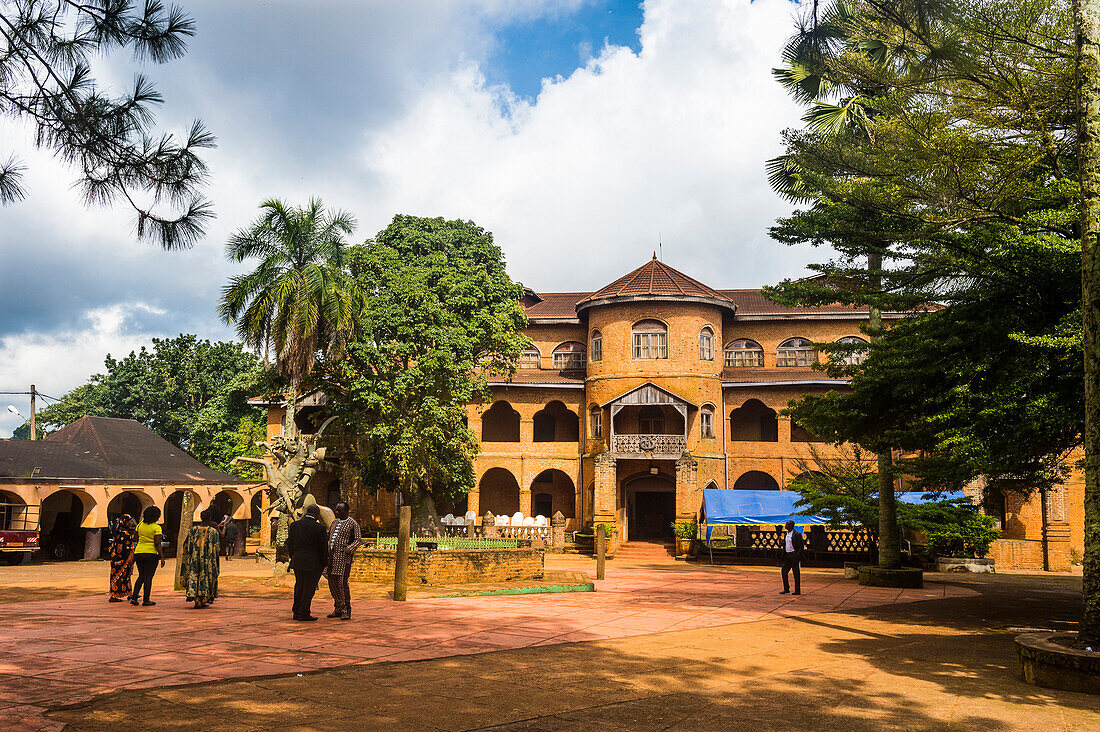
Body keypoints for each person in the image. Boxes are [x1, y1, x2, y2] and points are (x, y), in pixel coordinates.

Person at [286, 504, 328, 621]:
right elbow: (323, 548)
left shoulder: (295, 525)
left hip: (298, 560)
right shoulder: (319, 528)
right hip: (313, 563)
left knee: (299, 586)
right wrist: (324, 563)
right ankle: (303, 612)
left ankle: (296, 611)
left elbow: (290, 544)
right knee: (308, 588)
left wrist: (293, 557)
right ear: (316, 514)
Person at [324, 502, 362, 620]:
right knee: (332, 582)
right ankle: (338, 607)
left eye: (339, 510)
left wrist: (348, 549)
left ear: (346, 511)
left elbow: (358, 540)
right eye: (336, 510)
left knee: (342, 584)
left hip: (343, 559)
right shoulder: (334, 522)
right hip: (331, 558)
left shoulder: (353, 524)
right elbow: (328, 536)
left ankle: (346, 609)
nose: (337, 512)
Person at [179, 508, 221, 608]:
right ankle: (204, 599)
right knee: (206, 576)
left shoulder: (193, 530)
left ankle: (196, 600)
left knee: (194, 577)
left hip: (194, 559)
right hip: (208, 561)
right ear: (210, 518)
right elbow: (217, 547)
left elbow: (186, 545)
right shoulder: (213, 531)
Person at [130, 506, 165, 606]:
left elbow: (135, 538)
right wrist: (162, 557)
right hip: (151, 554)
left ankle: (134, 597)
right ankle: (146, 600)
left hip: (139, 552)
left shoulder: (140, 525)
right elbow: (157, 543)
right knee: (148, 577)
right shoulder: (156, 528)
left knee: (141, 576)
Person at [106, 513, 137, 603]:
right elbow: (123, 548)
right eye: (130, 521)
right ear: (125, 523)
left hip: (119, 559)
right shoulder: (124, 535)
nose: (131, 523)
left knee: (126, 577)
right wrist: (130, 554)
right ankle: (114, 596)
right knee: (119, 577)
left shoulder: (121, 534)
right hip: (121, 560)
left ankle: (129, 593)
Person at [780, 519, 803, 596]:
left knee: (796, 573)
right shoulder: (786, 534)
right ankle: (786, 588)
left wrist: (797, 555)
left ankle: (797, 590)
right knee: (784, 571)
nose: (785, 526)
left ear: (791, 526)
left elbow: (801, 547)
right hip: (787, 555)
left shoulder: (797, 534)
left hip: (794, 555)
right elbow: (787, 543)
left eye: (787, 524)